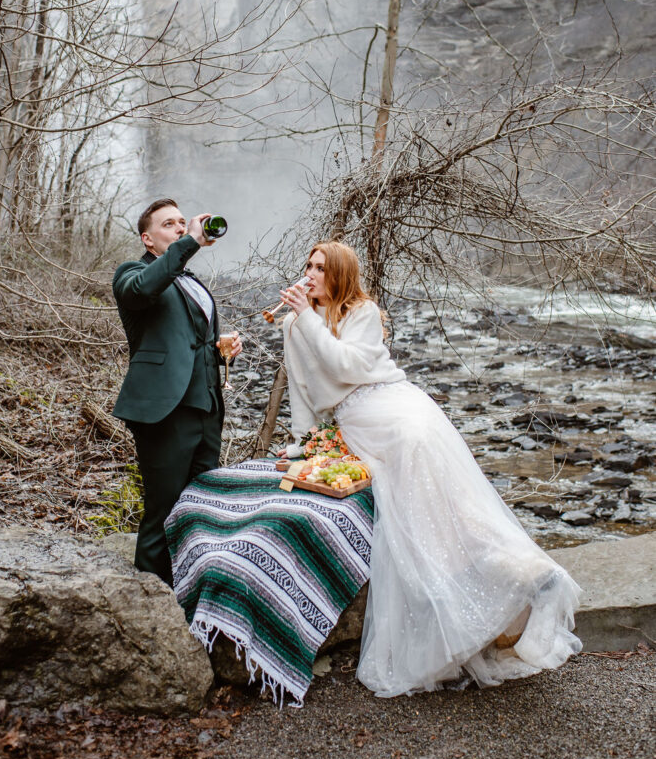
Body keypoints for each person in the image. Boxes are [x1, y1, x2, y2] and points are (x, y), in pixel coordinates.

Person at [278, 241, 581, 697]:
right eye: (308, 265)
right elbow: (302, 388)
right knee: (415, 499)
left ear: (340, 275)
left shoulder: (361, 312)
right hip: (359, 418)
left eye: (322, 268)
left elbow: (349, 365)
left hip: (397, 404)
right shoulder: (293, 322)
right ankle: (466, 604)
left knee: (443, 491)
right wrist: (307, 444)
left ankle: (518, 574)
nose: (311, 274)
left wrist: (306, 318)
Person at [112, 198, 242, 586]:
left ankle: (191, 593)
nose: (181, 229)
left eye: (183, 223)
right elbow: (145, 290)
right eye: (169, 224)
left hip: (205, 406)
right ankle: (150, 606)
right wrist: (191, 244)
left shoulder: (191, 282)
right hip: (163, 411)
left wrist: (219, 347)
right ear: (147, 239)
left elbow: (183, 341)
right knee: (164, 510)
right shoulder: (132, 273)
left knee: (201, 508)